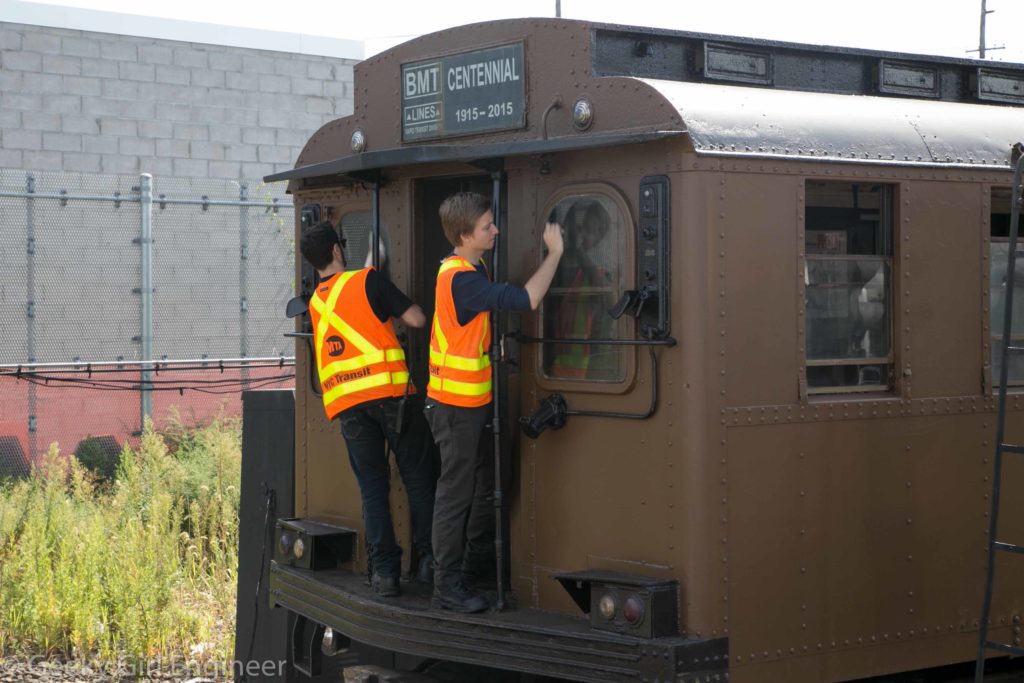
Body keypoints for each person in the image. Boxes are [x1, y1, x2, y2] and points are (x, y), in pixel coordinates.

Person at [425, 192, 564, 613]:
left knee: (485, 487)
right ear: (466, 235)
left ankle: (467, 574)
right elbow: (527, 300)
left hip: (472, 403)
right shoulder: (462, 280)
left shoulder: (472, 267)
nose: (495, 230)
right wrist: (554, 252)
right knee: (455, 496)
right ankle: (445, 588)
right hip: (454, 408)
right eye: (488, 226)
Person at [298, 220, 436, 598]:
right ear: (338, 250)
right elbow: (415, 319)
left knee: (373, 490)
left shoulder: (315, 304)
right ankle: (429, 563)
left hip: (349, 407)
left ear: (313, 262)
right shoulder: (368, 282)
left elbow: (350, 299)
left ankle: (386, 575)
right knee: (419, 479)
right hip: (391, 398)